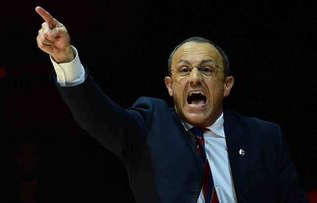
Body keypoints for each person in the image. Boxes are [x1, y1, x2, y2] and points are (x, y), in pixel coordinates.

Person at [35, 5, 308, 203]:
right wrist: (66, 59)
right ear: (170, 85)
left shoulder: (264, 137)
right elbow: (97, 116)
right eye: (185, 70)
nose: (195, 79)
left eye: (207, 70)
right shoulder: (149, 124)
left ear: (227, 85)